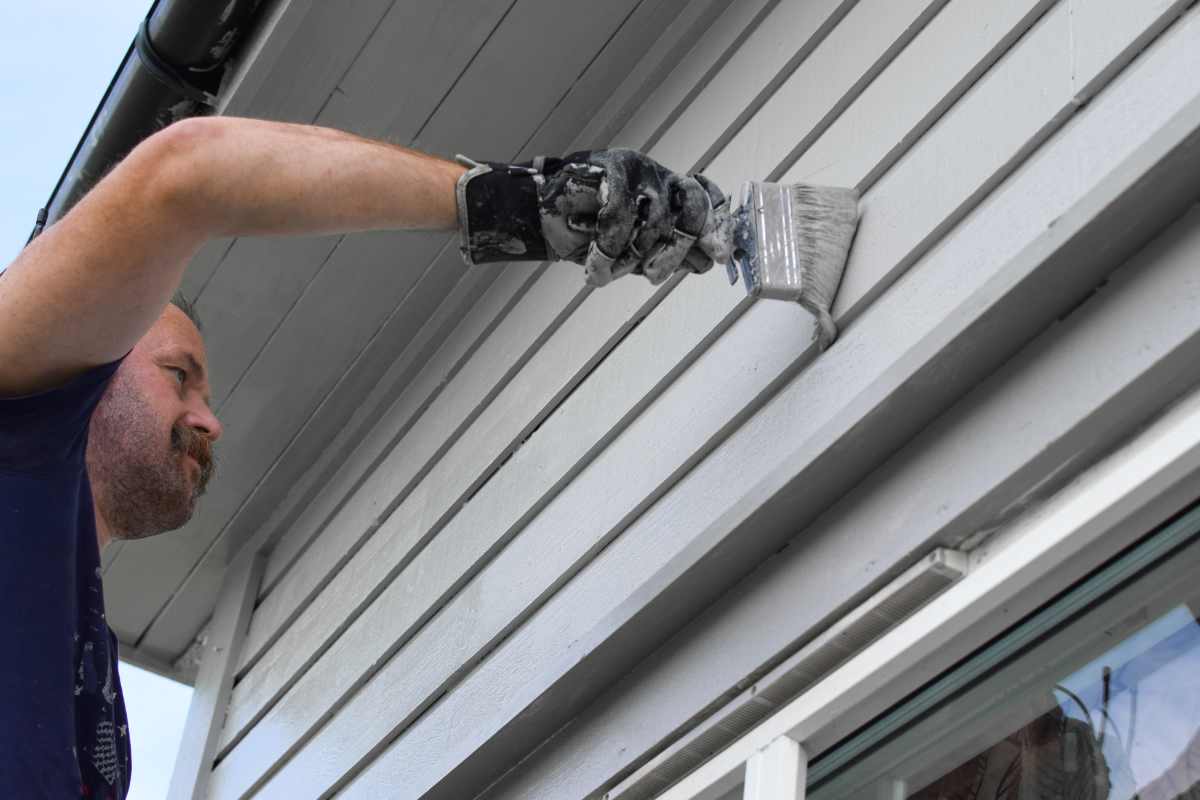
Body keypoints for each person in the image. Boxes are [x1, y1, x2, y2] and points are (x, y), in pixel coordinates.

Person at [0, 116, 729, 797]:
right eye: (177, 374)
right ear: (89, 363)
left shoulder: (79, 658)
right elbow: (188, 169)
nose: (209, 421)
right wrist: (525, 204)